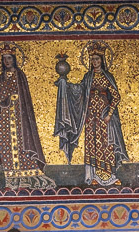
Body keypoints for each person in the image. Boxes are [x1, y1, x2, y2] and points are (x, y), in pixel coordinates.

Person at [0, 46, 55, 191]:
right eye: (4, 59)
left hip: (18, 117)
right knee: (5, 143)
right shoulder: (3, 75)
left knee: (21, 144)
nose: (6, 61)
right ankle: (11, 180)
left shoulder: (18, 75)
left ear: (14, 59)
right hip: (6, 117)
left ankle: (27, 178)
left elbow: (7, 87)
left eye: (9, 58)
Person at [53, 42, 130, 187]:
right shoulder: (88, 76)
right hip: (90, 116)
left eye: (97, 59)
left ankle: (109, 175)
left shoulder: (107, 77)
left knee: (106, 143)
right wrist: (66, 84)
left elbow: (116, 96)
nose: (95, 62)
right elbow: (79, 90)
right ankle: (94, 176)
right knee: (92, 143)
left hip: (104, 115)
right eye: (93, 59)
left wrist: (110, 114)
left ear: (102, 60)